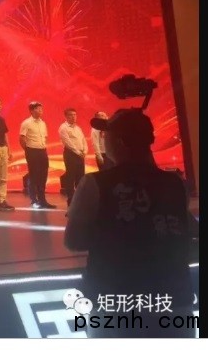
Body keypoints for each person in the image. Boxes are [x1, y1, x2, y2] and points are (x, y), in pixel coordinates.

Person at [65, 109, 195, 338]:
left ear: (120, 142)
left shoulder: (94, 184)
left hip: (115, 305)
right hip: (173, 302)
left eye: (107, 136)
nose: (104, 141)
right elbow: (184, 232)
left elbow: (74, 240)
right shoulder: (174, 183)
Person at [20, 101, 55, 209]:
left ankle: (42, 200)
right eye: (38, 109)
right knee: (34, 176)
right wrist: (28, 150)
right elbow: (22, 138)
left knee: (43, 176)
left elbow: (45, 137)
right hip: (32, 151)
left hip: (42, 151)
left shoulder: (43, 123)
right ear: (31, 110)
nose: (40, 110)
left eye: (41, 108)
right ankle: (34, 200)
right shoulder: (26, 123)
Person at [58, 107, 87, 206]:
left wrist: (85, 151)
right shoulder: (63, 128)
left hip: (80, 154)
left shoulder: (78, 128)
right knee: (71, 177)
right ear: (66, 116)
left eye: (75, 115)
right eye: (70, 115)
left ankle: (80, 199)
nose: (73, 117)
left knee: (80, 177)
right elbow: (68, 143)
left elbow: (83, 140)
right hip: (70, 154)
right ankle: (71, 200)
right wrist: (78, 152)